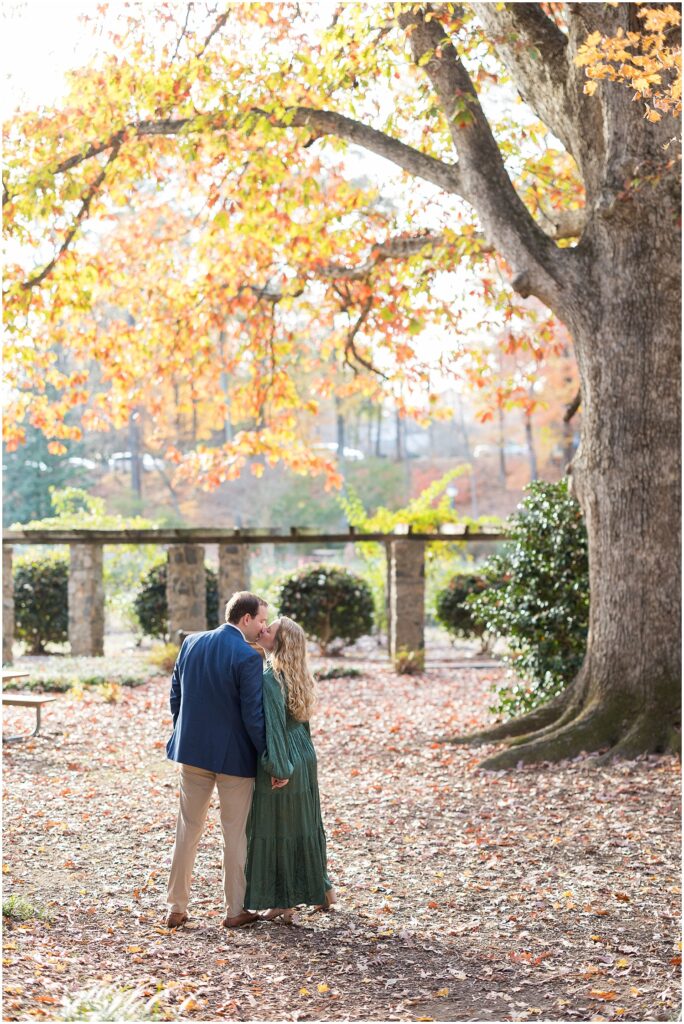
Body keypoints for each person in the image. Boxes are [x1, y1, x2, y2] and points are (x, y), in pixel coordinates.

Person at [164, 591, 269, 929]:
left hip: (191, 752)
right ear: (246, 618)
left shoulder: (191, 643)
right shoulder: (247, 656)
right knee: (234, 834)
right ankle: (235, 910)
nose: (263, 628)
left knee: (187, 830)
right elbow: (253, 716)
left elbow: (175, 694)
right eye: (262, 620)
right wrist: (267, 755)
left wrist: (186, 731)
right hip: (234, 758)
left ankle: (175, 907)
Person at [244, 616, 335, 922]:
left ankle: (283, 902)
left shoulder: (270, 676)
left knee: (278, 828)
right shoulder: (297, 674)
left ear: (280, 642)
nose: (263, 629)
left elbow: (274, 728)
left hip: (285, 756)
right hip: (304, 754)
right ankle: (322, 889)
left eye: (271, 629)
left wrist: (278, 767)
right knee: (304, 824)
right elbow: (301, 724)